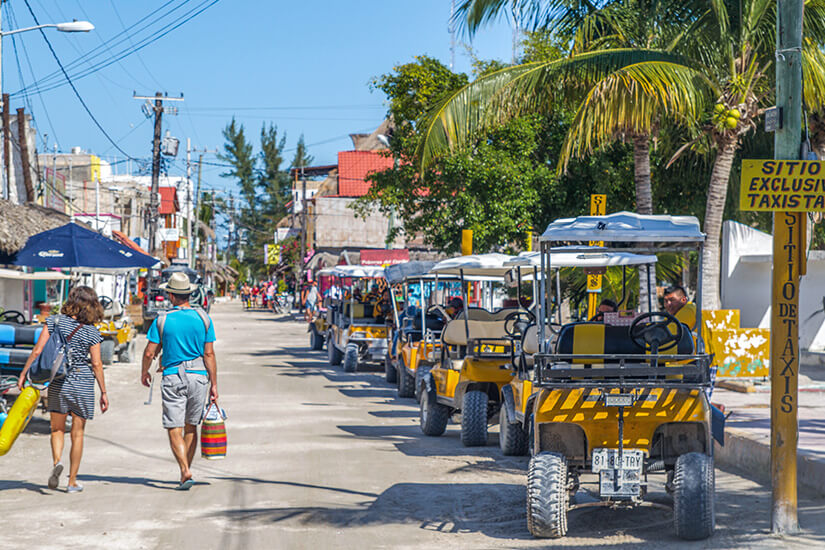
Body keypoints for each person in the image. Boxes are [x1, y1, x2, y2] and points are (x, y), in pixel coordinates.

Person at [17, 286, 108, 493]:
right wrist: (103, 392)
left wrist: (24, 374)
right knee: (78, 433)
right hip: (82, 381)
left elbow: (37, 351)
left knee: (57, 429)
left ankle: (57, 462)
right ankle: (72, 481)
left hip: (59, 380)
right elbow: (96, 364)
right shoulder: (92, 331)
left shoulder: (54, 321)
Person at [141, 273, 218, 491]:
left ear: (171, 295)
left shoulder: (162, 320)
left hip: (173, 376)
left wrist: (144, 372)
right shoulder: (204, 318)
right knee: (191, 425)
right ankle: (186, 472)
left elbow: (149, 352)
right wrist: (214, 384)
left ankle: (184, 470)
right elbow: (209, 354)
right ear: (189, 294)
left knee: (174, 426)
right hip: (199, 376)